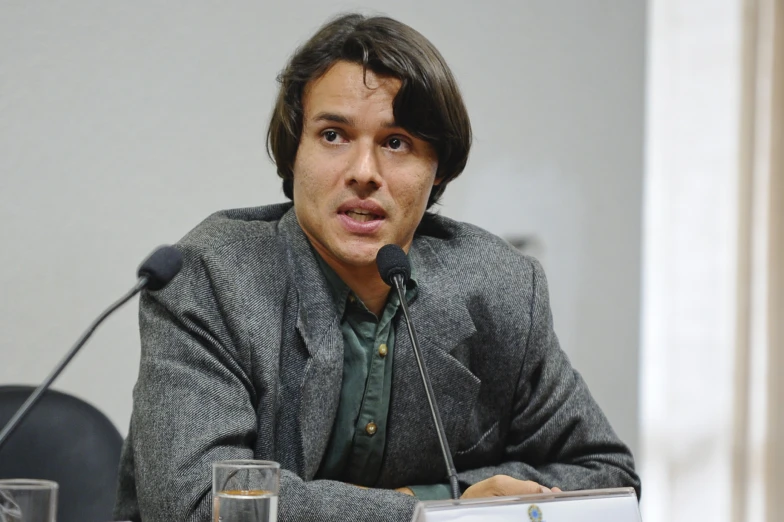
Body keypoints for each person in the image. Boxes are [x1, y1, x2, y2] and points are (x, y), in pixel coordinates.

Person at [114, 13, 640, 522]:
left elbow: (607, 478)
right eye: (334, 135)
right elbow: (196, 503)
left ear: (438, 172)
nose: (363, 173)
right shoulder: (210, 277)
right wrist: (434, 509)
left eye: (396, 143)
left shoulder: (500, 286)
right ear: (292, 151)